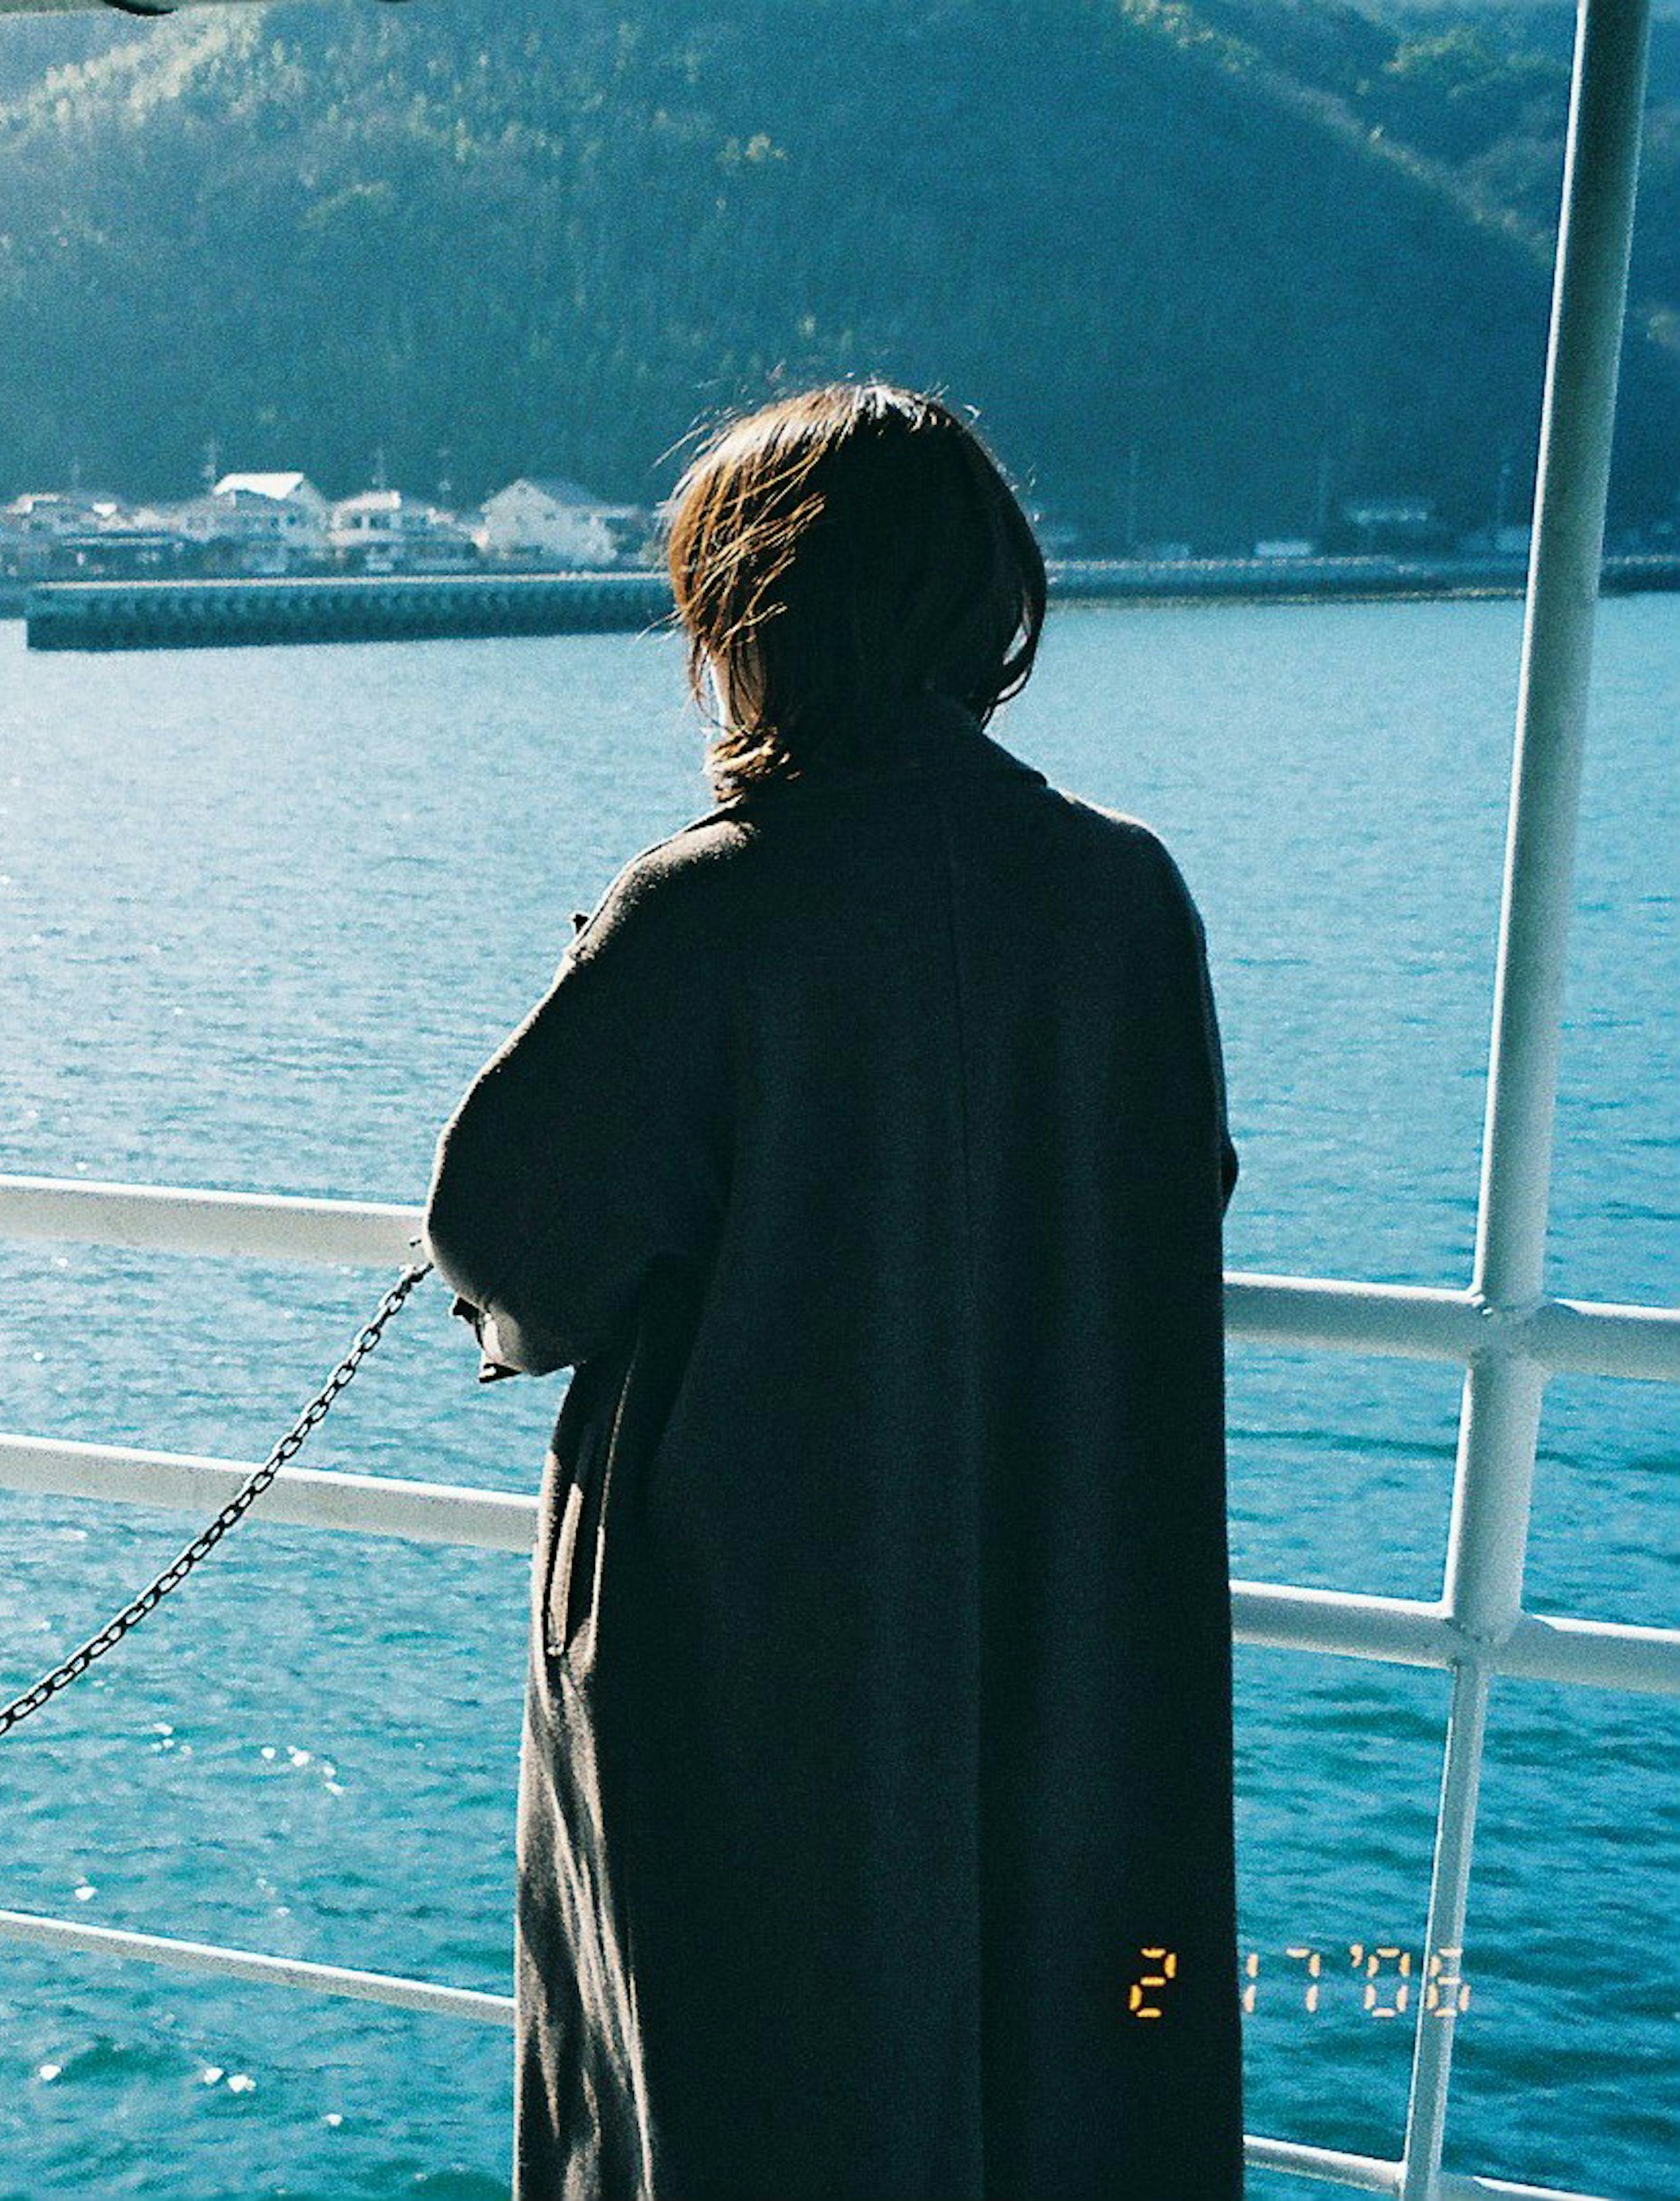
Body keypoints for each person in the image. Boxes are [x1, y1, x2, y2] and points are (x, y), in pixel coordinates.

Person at [425, 382, 1244, 2201]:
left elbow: (509, 1240)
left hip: (754, 1647)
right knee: (1071, 2049)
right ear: (986, 603)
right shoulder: (1129, 899)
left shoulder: (711, 905)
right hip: (1071, 1608)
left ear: (754, 612)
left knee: (734, 2081)